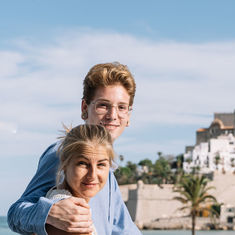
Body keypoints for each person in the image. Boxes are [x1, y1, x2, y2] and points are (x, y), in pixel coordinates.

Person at [8, 62, 142, 235]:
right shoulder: (63, 152)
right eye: (103, 105)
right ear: (85, 108)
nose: (113, 115)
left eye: (121, 107)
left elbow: (124, 230)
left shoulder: (106, 172)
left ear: (128, 116)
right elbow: (15, 214)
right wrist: (49, 213)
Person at [45, 124, 115, 235]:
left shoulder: (57, 199)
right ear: (65, 163)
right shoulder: (71, 216)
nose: (92, 175)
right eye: (82, 163)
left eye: (101, 164)